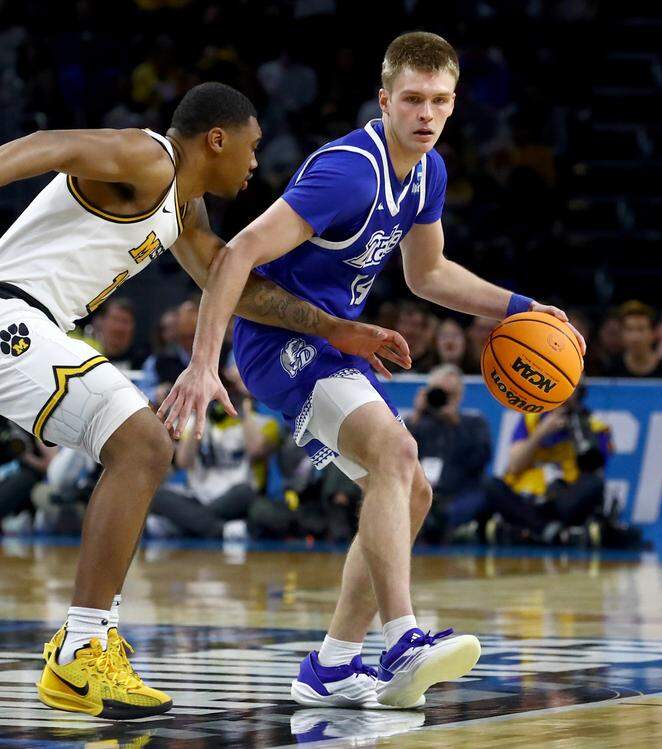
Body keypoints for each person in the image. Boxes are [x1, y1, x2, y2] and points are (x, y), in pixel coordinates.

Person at [0, 81, 409, 720]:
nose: (255, 164)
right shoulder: (151, 157)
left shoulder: (184, 213)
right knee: (143, 442)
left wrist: (332, 328)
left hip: (23, 328)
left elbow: (235, 282)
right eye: (250, 148)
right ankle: (82, 648)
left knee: (142, 447)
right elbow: (55, 144)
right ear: (215, 139)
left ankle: (90, 642)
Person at [160, 32, 585, 710]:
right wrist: (202, 363)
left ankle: (330, 663)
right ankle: (403, 637)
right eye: (412, 99)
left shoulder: (430, 172)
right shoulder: (349, 170)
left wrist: (522, 307)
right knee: (398, 451)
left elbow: (429, 274)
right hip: (277, 340)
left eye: (439, 101)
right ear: (384, 100)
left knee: (410, 489)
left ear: (452, 104)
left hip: (338, 344)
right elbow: (236, 254)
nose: (425, 113)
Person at [148, 373, 280, 540]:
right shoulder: (197, 423)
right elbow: (183, 461)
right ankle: (221, 530)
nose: (222, 399)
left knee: (245, 493)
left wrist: (244, 411)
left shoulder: (264, 423)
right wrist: (199, 415)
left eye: (228, 393)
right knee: (156, 496)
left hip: (235, 497)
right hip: (197, 497)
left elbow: (255, 449)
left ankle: (184, 524)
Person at [480, 384, 612, 545]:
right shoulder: (531, 418)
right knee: (491, 485)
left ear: (579, 392)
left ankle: (538, 530)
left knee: (594, 484)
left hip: (565, 498)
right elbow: (514, 465)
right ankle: (551, 531)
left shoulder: (595, 426)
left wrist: (581, 434)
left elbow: (595, 472)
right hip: (531, 498)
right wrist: (541, 433)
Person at [406, 364, 492, 543]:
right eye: (439, 392)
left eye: (450, 394)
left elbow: (480, 460)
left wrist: (455, 423)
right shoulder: (416, 423)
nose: (443, 399)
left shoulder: (473, 423)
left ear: (459, 395)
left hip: (458, 493)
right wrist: (416, 416)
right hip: (419, 491)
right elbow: (398, 457)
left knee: (449, 513)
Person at [601, 301, 662, 378]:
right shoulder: (610, 372)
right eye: (629, 329)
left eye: (641, 329)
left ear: (653, 333)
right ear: (622, 334)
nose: (635, 337)